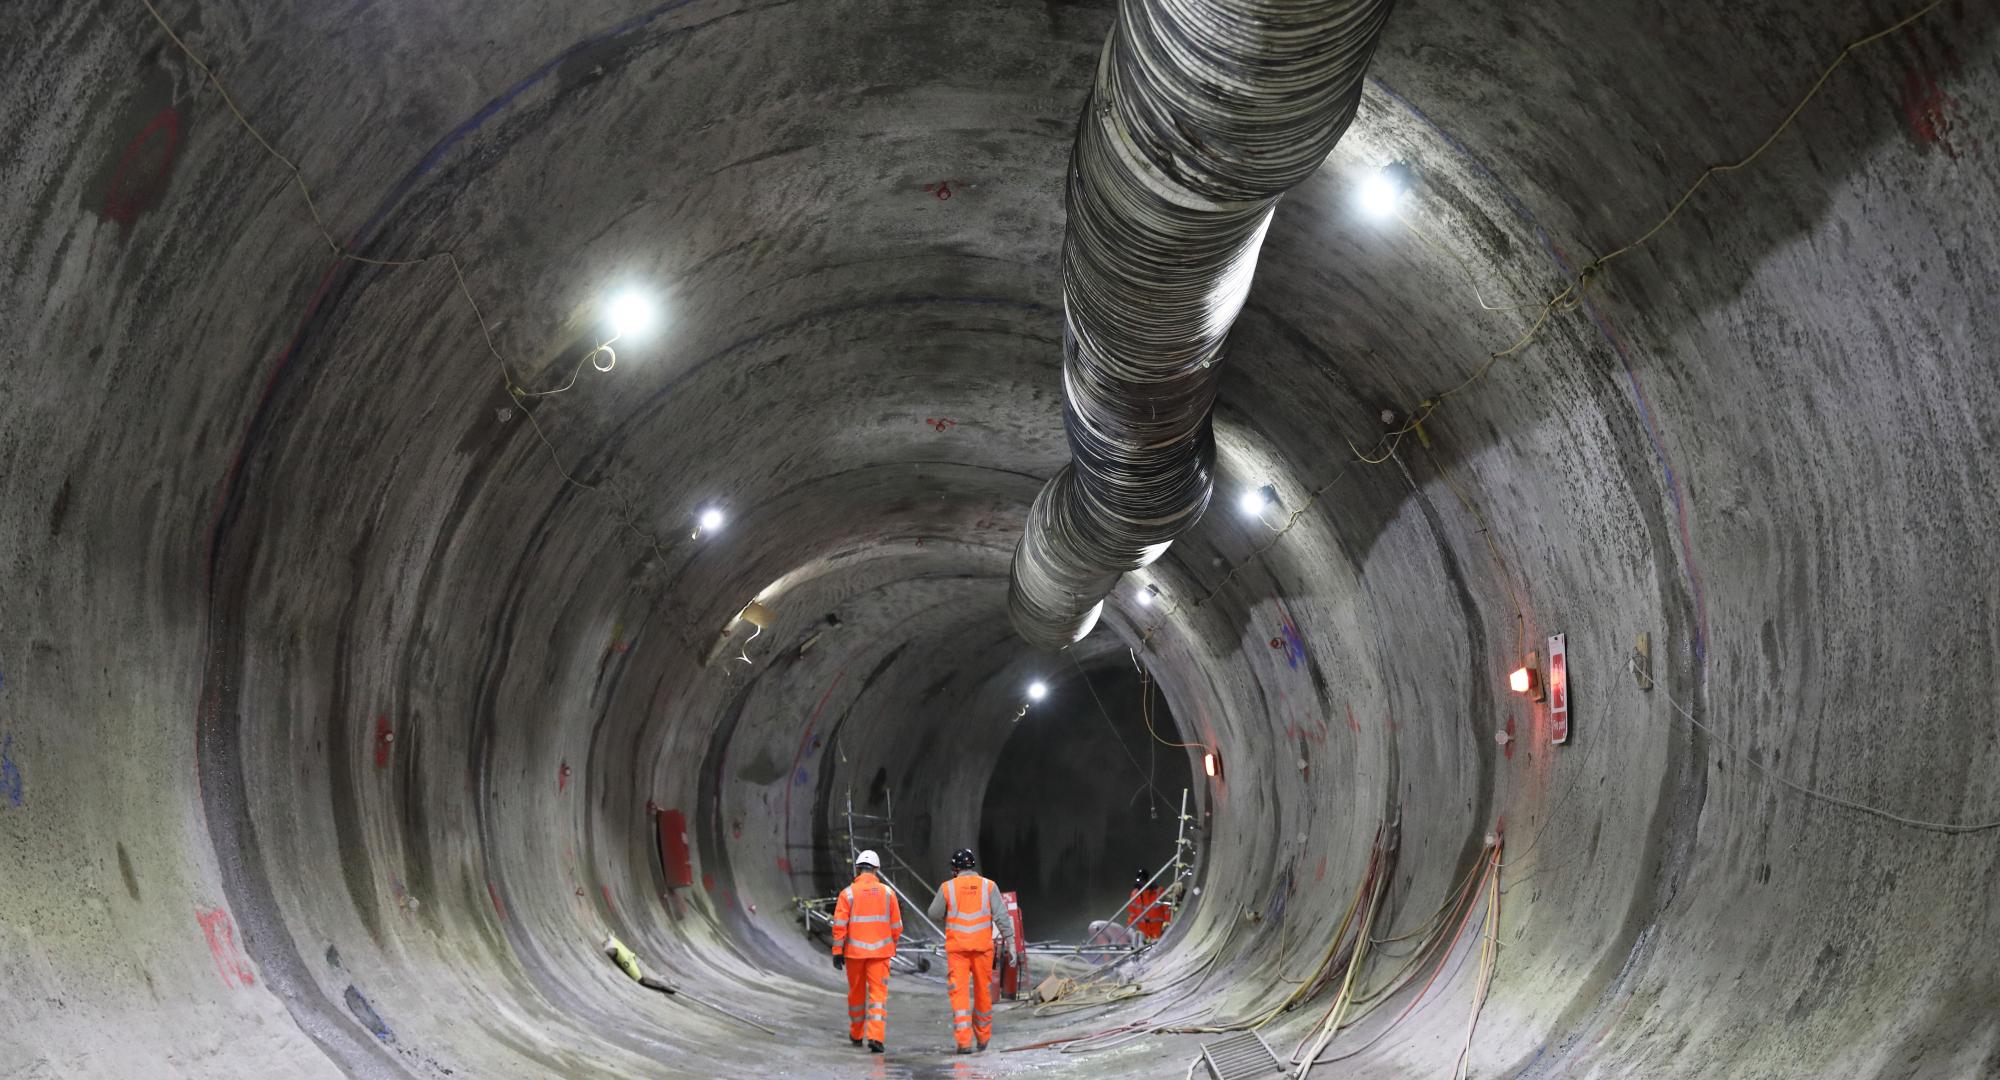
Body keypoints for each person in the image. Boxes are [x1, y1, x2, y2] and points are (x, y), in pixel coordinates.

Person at [927, 847, 1014, 1054]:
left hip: (958, 950)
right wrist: (1011, 942)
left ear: (955, 869)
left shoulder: (947, 887)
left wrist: (950, 911)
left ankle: (964, 1043)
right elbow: (1001, 916)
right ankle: (983, 1039)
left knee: (960, 995)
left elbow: (933, 913)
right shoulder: (989, 886)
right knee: (983, 993)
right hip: (983, 949)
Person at [832, 849, 902, 1053]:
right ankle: (876, 1037)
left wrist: (837, 951)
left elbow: (839, 925)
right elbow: (897, 926)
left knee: (856, 994)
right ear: (876, 869)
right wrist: (892, 944)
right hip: (880, 955)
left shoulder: (848, 893)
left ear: (858, 869)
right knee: (878, 995)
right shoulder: (888, 893)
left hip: (854, 954)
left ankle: (856, 1034)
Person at [601, 934, 678, 995]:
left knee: (639, 977)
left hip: (635, 972)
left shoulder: (615, 946)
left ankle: (665, 987)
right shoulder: (614, 946)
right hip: (636, 974)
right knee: (639, 977)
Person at [1126, 870, 1168, 941]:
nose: (1142, 883)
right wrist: (1131, 927)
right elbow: (1132, 913)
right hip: (1144, 932)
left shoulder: (1159, 891)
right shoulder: (1134, 894)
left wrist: (1167, 922)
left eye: (1143, 880)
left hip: (1159, 930)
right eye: (1140, 881)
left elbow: (1167, 909)